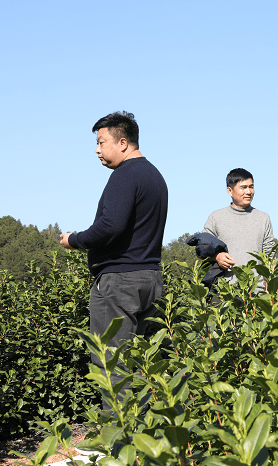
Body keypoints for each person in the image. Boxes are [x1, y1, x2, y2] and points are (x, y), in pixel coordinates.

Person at [59, 111, 168, 405]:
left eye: (101, 141)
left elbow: (111, 225)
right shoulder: (154, 176)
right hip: (149, 278)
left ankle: (120, 444)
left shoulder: (126, 175)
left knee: (112, 364)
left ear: (122, 142)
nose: (97, 149)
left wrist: (74, 240)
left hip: (120, 282)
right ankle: (146, 440)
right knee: (139, 362)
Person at [203, 168, 276, 284]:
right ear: (229, 191)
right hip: (225, 292)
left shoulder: (263, 218)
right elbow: (203, 249)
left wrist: (270, 284)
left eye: (251, 187)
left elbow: (270, 255)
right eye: (243, 187)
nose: (249, 192)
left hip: (256, 291)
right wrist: (217, 256)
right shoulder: (216, 217)